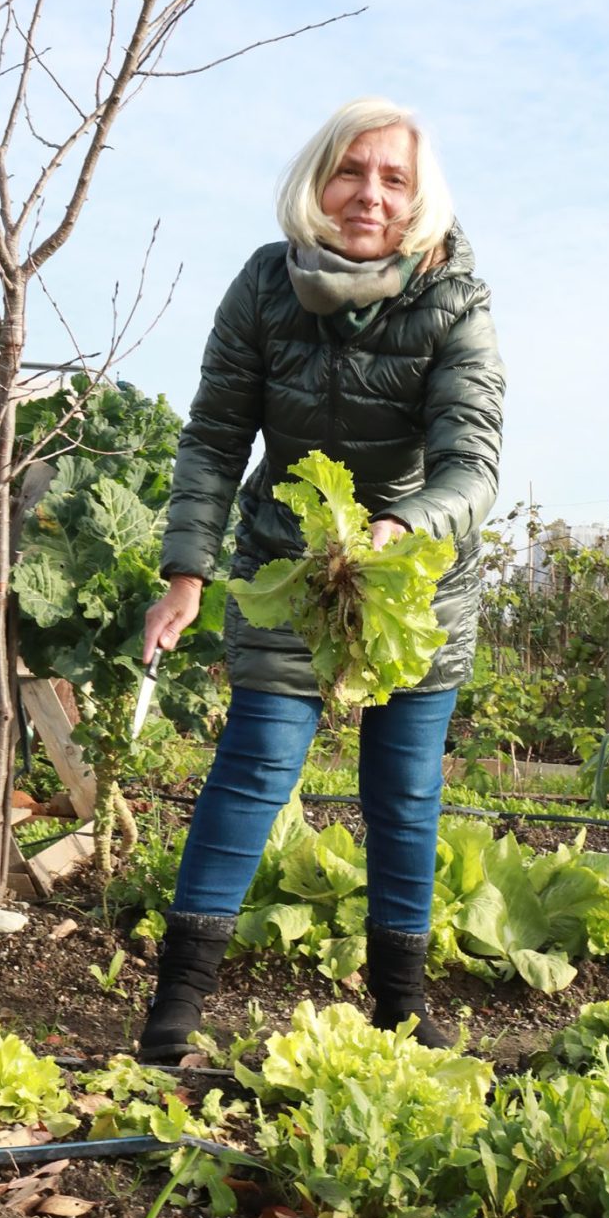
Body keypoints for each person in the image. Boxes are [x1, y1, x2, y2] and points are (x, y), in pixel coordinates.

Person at [137, 96, 504, 1060]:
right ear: (317, 179)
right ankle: (174, 1013)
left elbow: (472, 464)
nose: (369, 194)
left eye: (394, 178)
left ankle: (400, 1009)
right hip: (289, 559)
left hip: (414, 575)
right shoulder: (264, 286)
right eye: (351, 170)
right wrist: (186, 572)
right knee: (256, 762)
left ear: (419, 198)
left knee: (403, 786)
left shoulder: (454, 298)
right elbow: (216, 437)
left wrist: (401, 528)